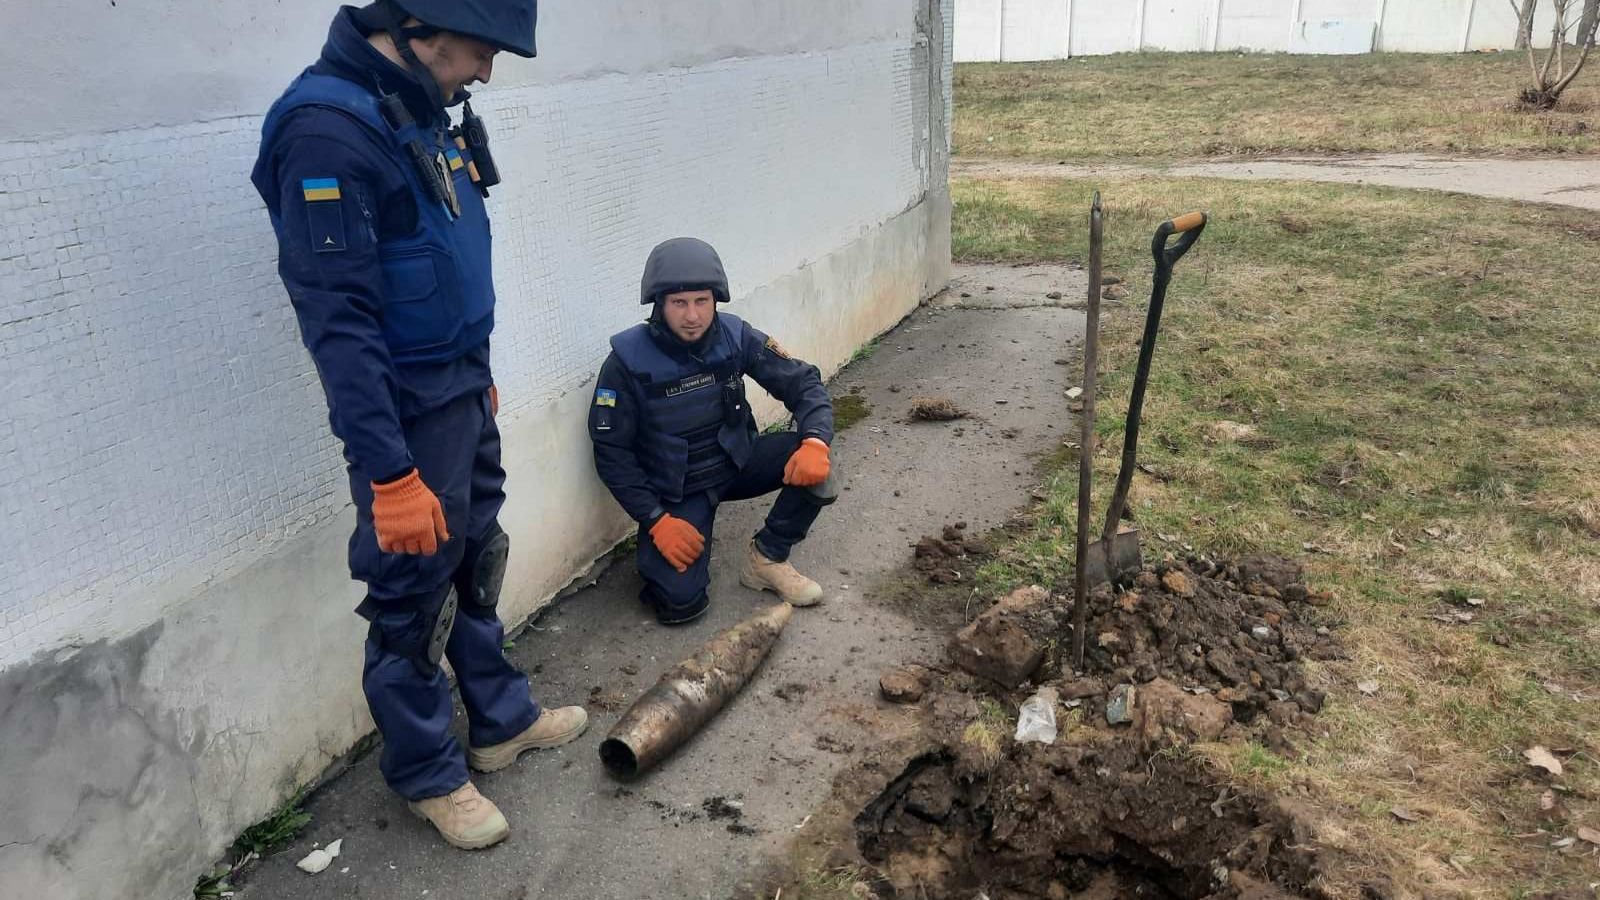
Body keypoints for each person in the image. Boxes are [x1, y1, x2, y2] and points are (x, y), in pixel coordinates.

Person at [250, 0, 584, 851]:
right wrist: (390, 472)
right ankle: (428, 771)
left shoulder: (422, 110)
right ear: (421, 28)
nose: (487, 70)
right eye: (480, 50)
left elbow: (440, 259)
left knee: (477, 556)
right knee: (411, 593)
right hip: (404, 415)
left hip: (461, 389)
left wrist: (478, 374)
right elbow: (341, 324)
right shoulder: (327, 131)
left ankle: (499, 722)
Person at [588, 237, 839, 626]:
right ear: (659, 304)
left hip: (736, 461)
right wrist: (656, 520)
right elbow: (611, 453)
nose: (693, 315)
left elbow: (803, 383)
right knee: (679, 606)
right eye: (679, 303)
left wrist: (815, 441)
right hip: (678, 490)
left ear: (716, 300)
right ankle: (662, 561)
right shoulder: (626, 363)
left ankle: (767, 557)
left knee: (819, 468)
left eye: (702, 301)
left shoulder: (735, 336)